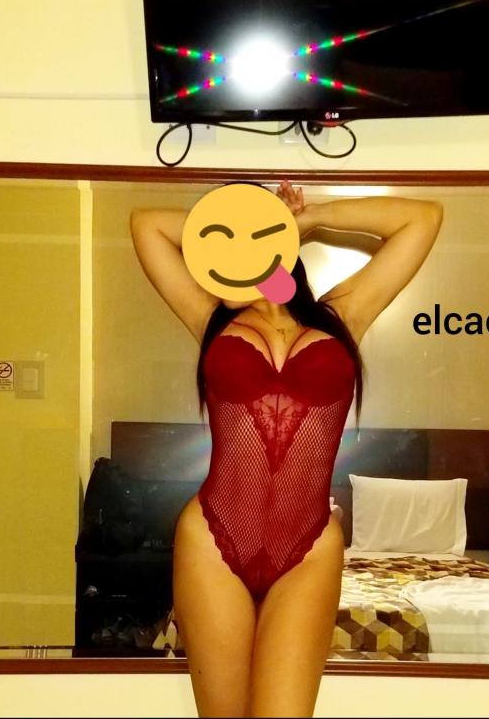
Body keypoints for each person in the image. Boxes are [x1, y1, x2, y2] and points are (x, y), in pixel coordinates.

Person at [130, 181, 443, 718]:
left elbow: (423, 218)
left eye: (233, 244)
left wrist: (304, 221)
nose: (213, 261)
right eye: (214, 245)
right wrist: (243, 232)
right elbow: (147, 225)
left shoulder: (341, 315)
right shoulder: (210, 317)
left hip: (309, 548)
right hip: (213, 542)